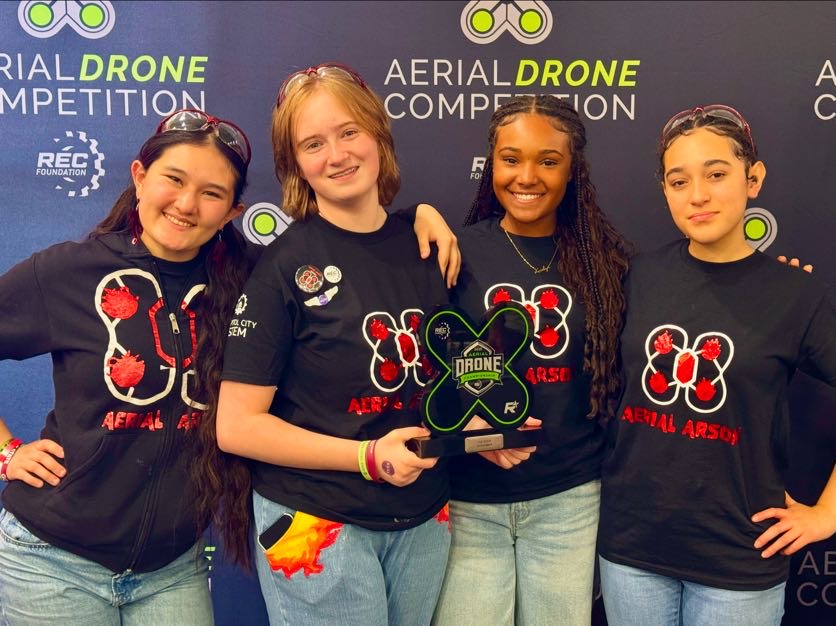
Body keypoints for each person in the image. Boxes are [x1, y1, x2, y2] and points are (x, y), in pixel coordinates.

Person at [214, 63, 453, 625]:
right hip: (317, 522)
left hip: (423, 517)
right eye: (313, 144)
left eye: (349, 132)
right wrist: (366, 458)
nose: (337, 155)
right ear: (295, 164)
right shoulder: (282, 268)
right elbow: (237, 426)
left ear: (378, 134)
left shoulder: (426, 245)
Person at [0, 109, 253, 624]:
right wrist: (7, 453)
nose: (186, 204)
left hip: (174, 567)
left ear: (232, 212)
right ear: (140, 177)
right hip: (53, 562)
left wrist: (415, 220)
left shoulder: (251, 285)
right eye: (173, 179)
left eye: (211, 193)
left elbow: (344, 258)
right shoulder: (70, 271)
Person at [597, 104, 836, 625]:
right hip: (632, 550)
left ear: (754, 178)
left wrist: (827, 513)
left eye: (716, 174)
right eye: (679, 181)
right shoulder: (636, 277)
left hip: (740, 558)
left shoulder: (797, 294)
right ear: (665, 190)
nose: (698, 195)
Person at [432, 95, 631, 625]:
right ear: (491, 165)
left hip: (569, 500)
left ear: (572, 170)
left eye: (548, 160)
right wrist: (469, 429)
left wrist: (758, 283)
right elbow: (423, 371)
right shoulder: (454, 253)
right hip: (469, 501)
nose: (527, 176)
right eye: (511, 158)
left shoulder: (606, 265)